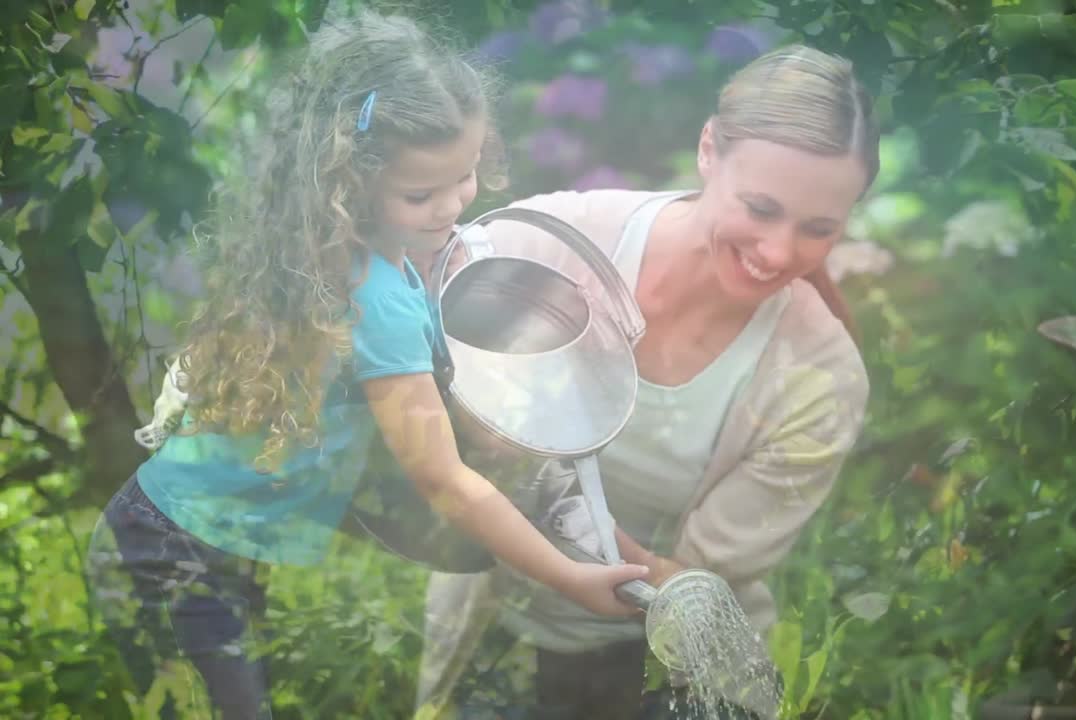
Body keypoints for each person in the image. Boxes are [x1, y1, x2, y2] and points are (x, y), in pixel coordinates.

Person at [85, 12, 648, 720]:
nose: (451, 206)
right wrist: (567, 577)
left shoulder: (344, 255)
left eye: (466, 175)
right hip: (170, 560)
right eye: (421, 195)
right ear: (348, 182)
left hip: (189, 543)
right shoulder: (375, 297)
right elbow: (443, 482)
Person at [415, 44, 879, 720]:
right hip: (497, 627)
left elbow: (697, 582)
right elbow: (416, 400)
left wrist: (546, 496)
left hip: (664, 667)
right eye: (760, 208)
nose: (779, 252)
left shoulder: (820, 378)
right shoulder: (552, 243)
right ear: (708, 150)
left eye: (819, 229)